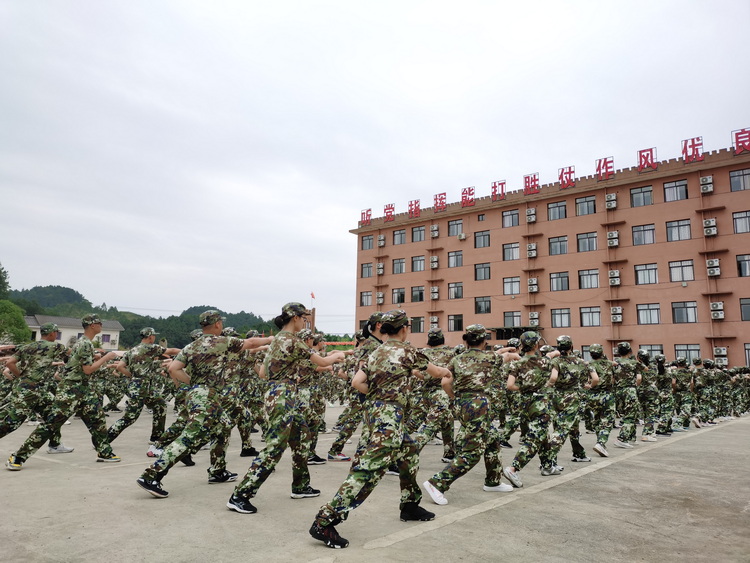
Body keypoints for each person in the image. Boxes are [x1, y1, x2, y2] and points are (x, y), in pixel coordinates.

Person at [309, 309, 450, 549]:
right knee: (368, 470)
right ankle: (325, 520)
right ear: (404, 329)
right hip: (390, 418)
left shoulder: (376, 352)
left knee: (409, 452)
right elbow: (437, 373)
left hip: (375, 412)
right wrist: (448, 372)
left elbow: (357, 382)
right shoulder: (408, 351)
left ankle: (410, 504)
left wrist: (378, 395)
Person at [136, 310, 272, 498]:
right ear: (217, 324)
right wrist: (272, 339)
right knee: (189, 437)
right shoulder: (222, 341)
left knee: (224, 426)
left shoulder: (191, 346)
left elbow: (174, 369)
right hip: (207, 396)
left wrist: (193, 383)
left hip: (199, 394)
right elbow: (250, 343)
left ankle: (217, 470)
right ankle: (151, 475)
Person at [227, 303, 345, 514]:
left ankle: (300, 486)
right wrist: (338, 356)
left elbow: (262, 373)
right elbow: (322, 361)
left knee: (302, 437)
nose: (305, 321)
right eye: (303, 318)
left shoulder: (277, 340)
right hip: (283, 396)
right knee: (275, 446)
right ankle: (241, 495)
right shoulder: (291, 340)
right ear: (295, 318)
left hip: (281, 394)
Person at [6, 315, 122, 470]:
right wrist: (107, 357)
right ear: (92, 325)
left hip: (84, 389)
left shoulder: (84, 343)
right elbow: (88, 370)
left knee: (97, 420)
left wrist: (96, 357)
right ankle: (18, 457)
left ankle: (104, 452)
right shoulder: (84, 343)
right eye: (99, 323)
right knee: (51, 425)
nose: (101, 325)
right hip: (71, 390)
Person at [422, 324, 513, 506]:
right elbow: (507, 357)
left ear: (466, 340)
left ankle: (493, 481)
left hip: (462, 403)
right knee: (472, 451)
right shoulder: (491, 357)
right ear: (484, 341)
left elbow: (444, 383)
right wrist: (512, 352)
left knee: (493, 439)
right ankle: (437, 483)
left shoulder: (456, 359)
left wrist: (454, 397)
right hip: (478, 405)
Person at [0, 323, 71, 453]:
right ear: (52, 333)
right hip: (30, 391)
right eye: (56, 332)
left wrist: (20, 376)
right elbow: (73, 355)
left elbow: (10, 363)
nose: (56, 335)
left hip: (37, 390)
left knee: (54, 414)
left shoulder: (27, 347)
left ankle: (55, 444)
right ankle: (54, 445)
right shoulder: (56, 346)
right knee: (12, 422)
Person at [107, 328, 181, 444]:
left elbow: (120, 367)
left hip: (142, 387)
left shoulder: (132, 350)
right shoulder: (151, 348)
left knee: (160, 405)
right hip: (142, 388)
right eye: (154, 336)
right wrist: (188, 351)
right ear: (150, 337)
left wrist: (132, 376)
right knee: (130, 417)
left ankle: (156, 437)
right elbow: (171, 351)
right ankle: (104, 440)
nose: (154, 338)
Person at [502, 331, 556, 488]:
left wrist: (523, 388)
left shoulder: (517, 363)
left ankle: (547, 465)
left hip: (524, 402)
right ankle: (513, 468)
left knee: (542, 434)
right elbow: (553, 377)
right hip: (540, 402)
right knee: (535, 437)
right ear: (536, 345)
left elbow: (510, 385)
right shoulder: (545, 362)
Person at [545, 335, 598, 472]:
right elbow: (595, 379)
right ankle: (548, 461)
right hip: (572, 397)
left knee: (567, 426)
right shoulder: (582, 362)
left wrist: (549, 385)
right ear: (571, 347)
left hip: (557, 396)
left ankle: (578, 453)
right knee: (562, 430)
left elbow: (553, 377)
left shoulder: (555, 361)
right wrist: (589, 386)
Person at [587, 344, 617, 456]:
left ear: (590, 354)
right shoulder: (609, 364)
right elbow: (596, 379)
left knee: (597, 419)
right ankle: (601, 442)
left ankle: (600, 442)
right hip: (606, 395)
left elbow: (592, 378)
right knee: (608, 419)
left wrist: (590, 386)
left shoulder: (589, 364)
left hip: (593, 396)